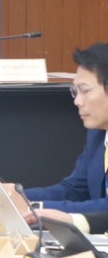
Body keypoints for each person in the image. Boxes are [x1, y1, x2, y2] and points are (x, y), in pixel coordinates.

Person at [20, 43, 108, 228]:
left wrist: (37, 209)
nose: (77, 101)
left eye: (85, 91)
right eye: (75, 92)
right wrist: (18, 196)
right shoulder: (98, 135)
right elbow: (74, 190)